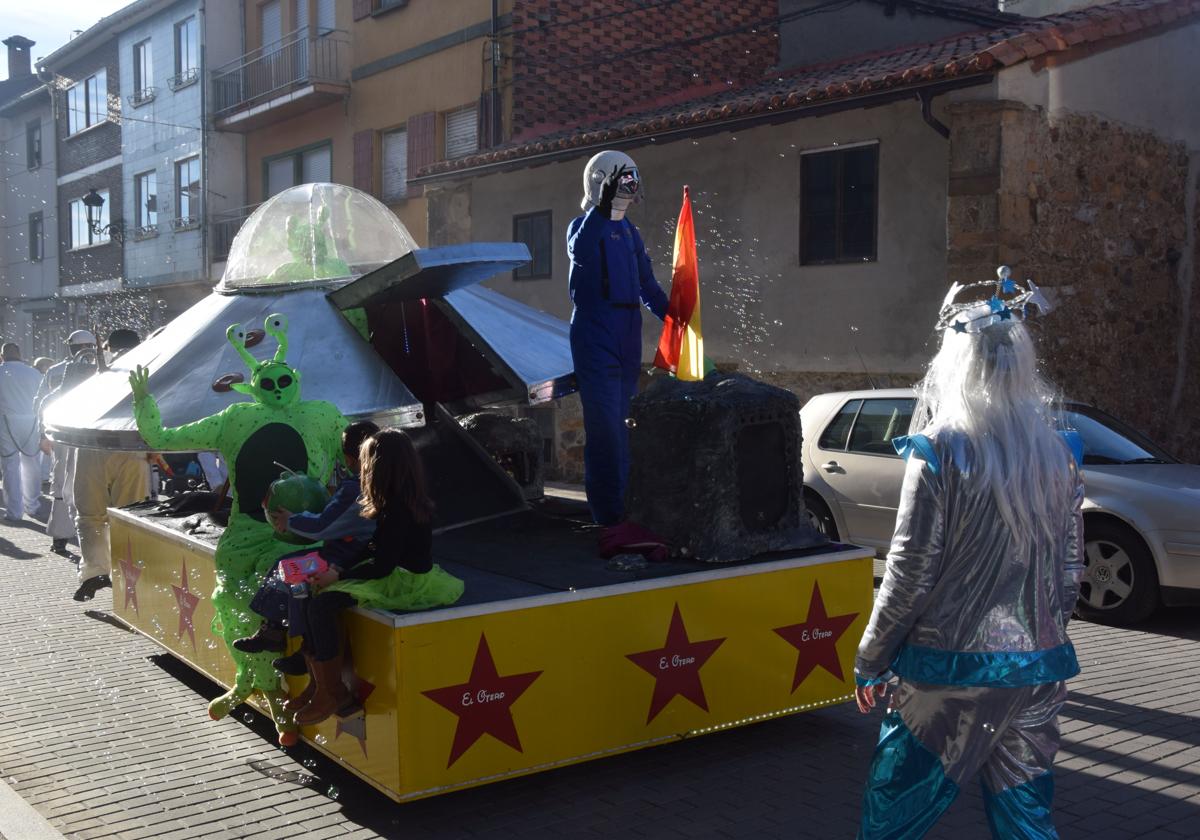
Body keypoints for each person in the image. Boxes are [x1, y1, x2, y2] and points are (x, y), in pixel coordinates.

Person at [854, 269, 1084, 839]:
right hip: (1038, 666)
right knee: (1025, 813)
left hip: (948, 671)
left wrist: (871, 656)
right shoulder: (1055, 455)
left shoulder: (939, 452)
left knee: (895, 808)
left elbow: (909, 573)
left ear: (956, 363)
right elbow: (1069, 572)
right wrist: (1046, 632)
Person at [289, 428, 464, 727]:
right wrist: (337, 571)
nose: (361, 470)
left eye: (365, 463)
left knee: (323, 605)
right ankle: (320, 684)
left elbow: (382, 565)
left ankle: (333, 692)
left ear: (379, 466)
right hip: (391, 570)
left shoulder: (399, 509)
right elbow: (372, 547)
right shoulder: (392, 500)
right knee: (311, 593)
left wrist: (339, 576)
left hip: (404, 579)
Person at [567, 150, 668, 528]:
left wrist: (678, 317)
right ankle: (608, 518)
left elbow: (648, 287)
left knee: (624, 426)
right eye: (622, 181)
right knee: (606, 428)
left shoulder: (630, 232)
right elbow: (580, 252)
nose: (630, 188)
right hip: (596, 333)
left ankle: (624, 509)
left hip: (628, 334)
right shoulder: (581, 226)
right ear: (601, 182)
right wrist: (601, 208)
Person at [233, 419, 379, 661]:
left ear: (349, 458)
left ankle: (300, 645)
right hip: (358, 553)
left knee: (293, 572)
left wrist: (291, 520)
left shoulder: (356, 489)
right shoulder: (380, 481)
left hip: (348, 559)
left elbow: (324, 526)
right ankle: (278, 631)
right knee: (290, 567)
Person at [73, 330, 151, 601]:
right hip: (132, 447)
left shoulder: (96, 369)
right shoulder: (151, 367)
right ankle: (129, 578)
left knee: (90, 515)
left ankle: (95, 571)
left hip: (92, 445)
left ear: (107, 346)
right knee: (130, 517)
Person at [36, 330, 99, 555]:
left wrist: (42, 434)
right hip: (89, 440)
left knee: (63, 486)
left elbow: (41, 402)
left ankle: (63, 537)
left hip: (65, 437)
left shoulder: (56, 371)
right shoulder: (105, 371)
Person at [0, 343, 47, 521]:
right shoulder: (33, 373)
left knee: (10, 466)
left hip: (6, 422)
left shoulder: (1, 372)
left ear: (2, 355)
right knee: (32, 464)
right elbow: (42, 398)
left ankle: (14, 511)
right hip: (31, 421)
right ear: (20, 354)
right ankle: (32, 505)